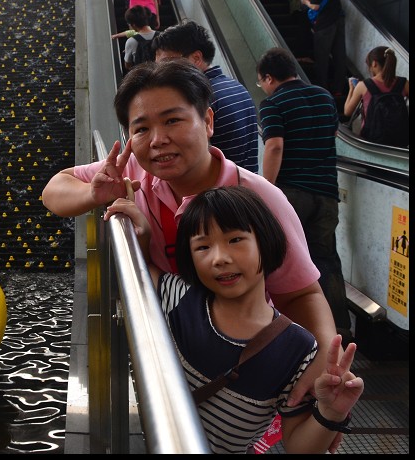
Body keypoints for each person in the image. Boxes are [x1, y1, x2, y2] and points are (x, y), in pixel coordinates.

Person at [42, 59, 339, 409]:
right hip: (166, 357)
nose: (158, 140)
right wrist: (94, 194)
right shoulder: (134, 171)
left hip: (238, 369)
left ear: (208, 121)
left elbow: (301, 294)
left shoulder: (258, 199)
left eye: (173, 120)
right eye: (141, 129)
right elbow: (54, 191)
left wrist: (324, 371)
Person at [104, 185, 363, 454]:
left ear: (265, 241)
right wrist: (141, 235)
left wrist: (330, 413)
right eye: (203, 246)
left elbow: (298, 446)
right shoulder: (178, 295)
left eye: (235, 240)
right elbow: (136, 268)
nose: (220, 258)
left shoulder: (297, 348)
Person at [256, 47, 352, 339]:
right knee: (326, 258)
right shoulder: (324, 96)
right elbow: (332, 134)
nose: (263, 87)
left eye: (262, 82)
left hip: (291, 193)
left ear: (269, 78)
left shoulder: (273, 103)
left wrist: (266, 191)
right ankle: (339, 330)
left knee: (286, 259)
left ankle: (298, 328)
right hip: (326, 192)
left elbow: (274, 146)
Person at [153, 20, 259, 173]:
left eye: (168, 63)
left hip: (220, 193)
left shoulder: (201, 98)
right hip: (246, 188)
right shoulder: (238, 87)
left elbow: (195, 165)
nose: (162, 72)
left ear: (196, 58)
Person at [301, 0, 347, 110]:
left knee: (322, 57)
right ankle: (339, 89)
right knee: (340, 54)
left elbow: (315, 6)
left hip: (325, 24)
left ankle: (323, 90)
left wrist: (305, 1)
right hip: (339, 19)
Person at [344, 46, 410, 137]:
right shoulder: (404, 84)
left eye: (369, 65)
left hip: (371, 141)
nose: (369, 68)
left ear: (374, 63)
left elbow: (347, 112)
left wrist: (351, 89)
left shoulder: (363, 85)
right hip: (398, 141)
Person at [120, 5, 157, 71]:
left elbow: (128, 65)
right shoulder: (162, 36)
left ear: (133, 25)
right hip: (162, 75)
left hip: (143, 77)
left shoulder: (131, 41)